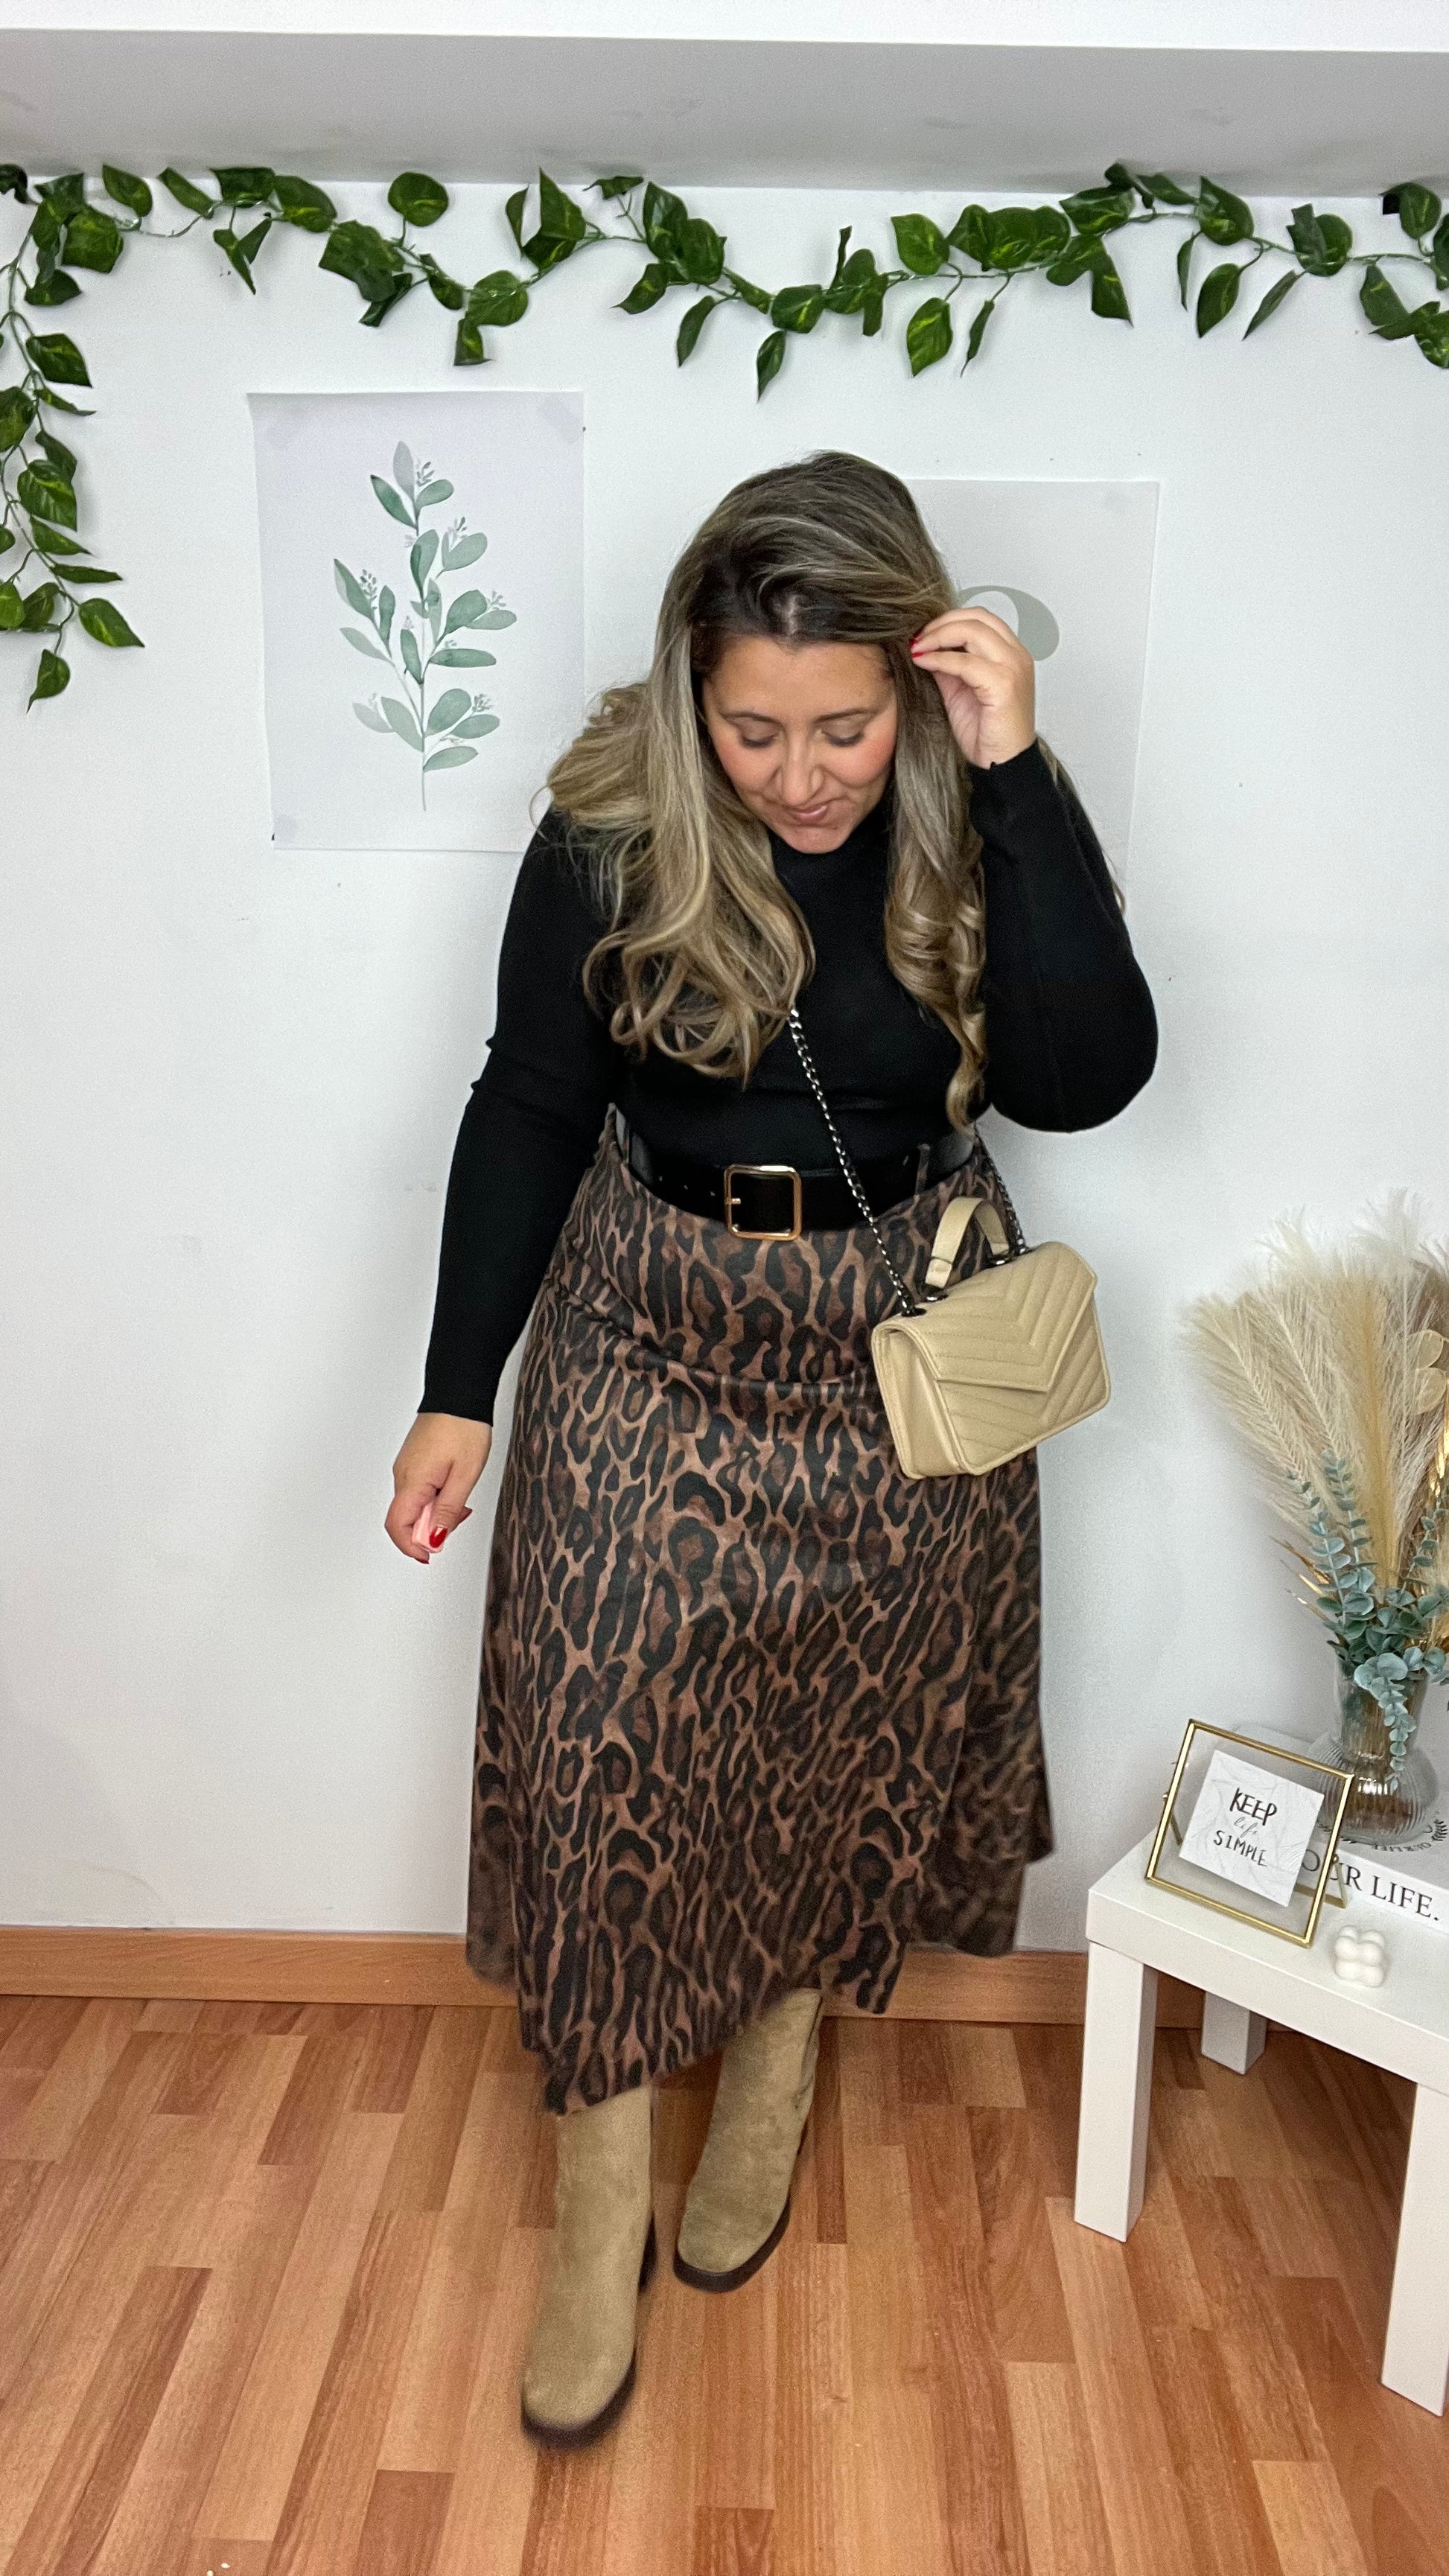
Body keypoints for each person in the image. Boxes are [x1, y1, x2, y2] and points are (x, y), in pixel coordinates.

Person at [386, 450, 1158, 2447]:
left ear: (914, 683)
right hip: (650, 1328)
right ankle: (598, 2199)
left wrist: (1011, 768)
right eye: (753, 731)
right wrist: (461, 1385)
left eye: (843, 728)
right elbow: (529, 1101)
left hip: (899, 1353)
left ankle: (780, 2069)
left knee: (838, 1733)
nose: (802, 777)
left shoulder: (972, 808)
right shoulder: (612, 826)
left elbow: (1085, 1078)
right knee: (597, 1752)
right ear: (689, 694)